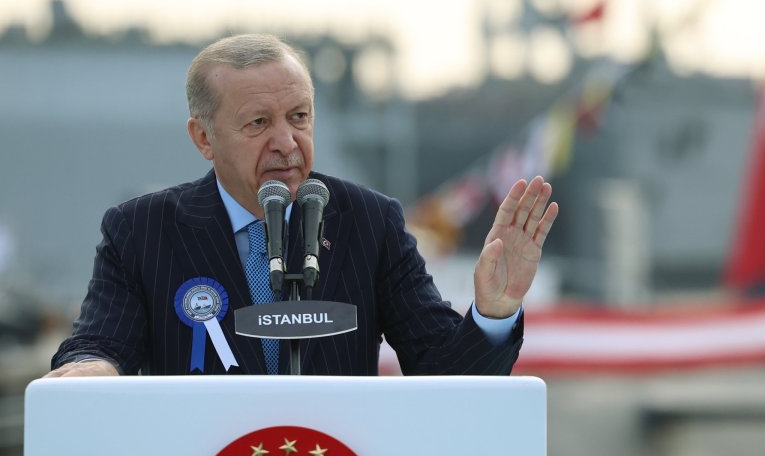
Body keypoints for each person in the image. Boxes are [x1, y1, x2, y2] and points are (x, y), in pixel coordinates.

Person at [47, 33, 557, 377]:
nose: (287, 143)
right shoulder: (141, 231)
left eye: (298, 116)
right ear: (204, 138)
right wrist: (92, 369)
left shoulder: (369, 222)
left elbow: (443, 369)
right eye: (258, 123)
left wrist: (494, 308)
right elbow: (97, 346)